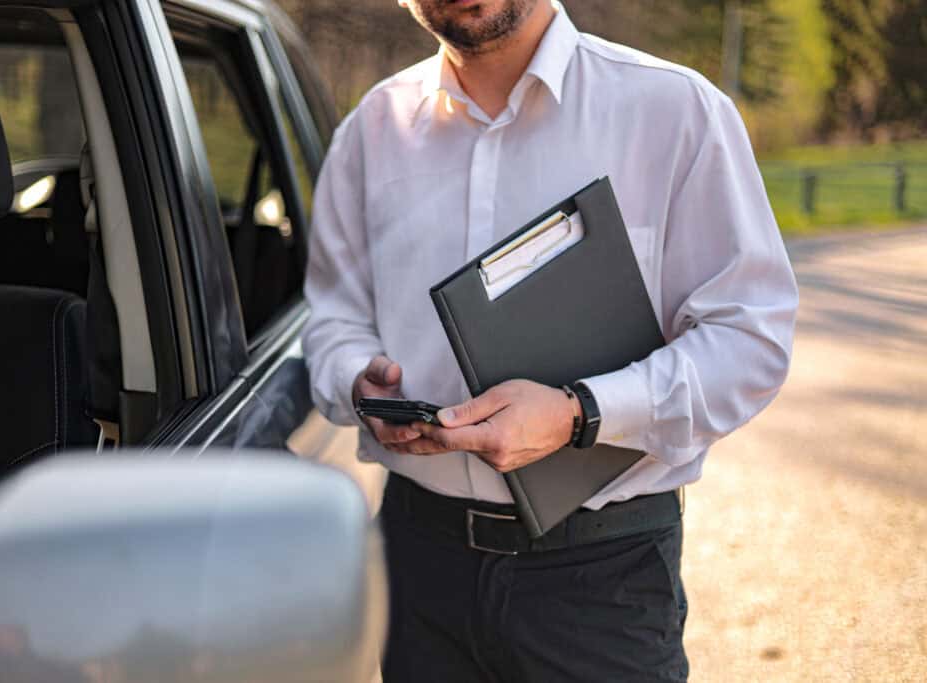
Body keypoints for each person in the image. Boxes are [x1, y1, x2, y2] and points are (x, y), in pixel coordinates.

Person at [302, 0, 798, 680]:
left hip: (602, 581)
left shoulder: (675, 111)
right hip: (418, 570)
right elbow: (331, 317)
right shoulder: (371, 130)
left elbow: (750, 338)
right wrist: (358, 382)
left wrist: (580, 412)